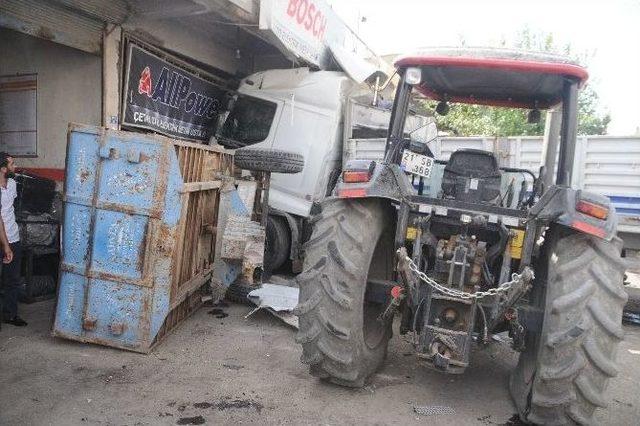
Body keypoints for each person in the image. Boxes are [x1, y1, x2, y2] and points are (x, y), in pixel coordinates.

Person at [0, 152, 25, 327]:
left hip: (13, 237)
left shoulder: (13, 184)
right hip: (3, 239)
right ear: (3, 169)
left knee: (12, 279)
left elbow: (9, 211)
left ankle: (10, 314)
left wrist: (11, 243)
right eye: (11, 164)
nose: (15, 167)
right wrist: (6, 246)